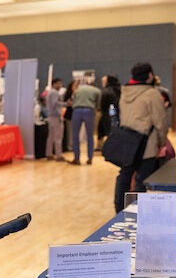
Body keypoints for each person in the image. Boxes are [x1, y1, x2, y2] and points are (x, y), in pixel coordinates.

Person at [114, 62, 167, 213]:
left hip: (127, 143)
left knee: (124, 177)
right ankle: (137, 214)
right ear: (150, 75)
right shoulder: (152, 94)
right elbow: (160, 121)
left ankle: (120, 211)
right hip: (147, 144)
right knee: (141, 181)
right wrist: (162, 143)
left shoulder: (124, 92)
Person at [69, 80, 101, 165]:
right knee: (90, 135)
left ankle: (77, 158)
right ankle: (90, 158)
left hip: (77, 110)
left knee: (75, 135)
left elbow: (73, 101)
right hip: (89, 110)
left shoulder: (78, 90)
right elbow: (98, 104)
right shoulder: (97, 91)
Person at [97, 75, 121, 150]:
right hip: (118, 112)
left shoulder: (106, 91)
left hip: (108, 112)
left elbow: (103, 104)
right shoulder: (120, 90)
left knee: (108, 130)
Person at [45, 78, 66, 161]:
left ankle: (49, 154)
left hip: (50, 116)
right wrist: (65, 104)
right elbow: (55, 104)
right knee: (58, 137)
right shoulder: (54, 93)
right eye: (58, 84)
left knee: (51, 137)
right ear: (53, 84)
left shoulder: (50, 92)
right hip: (56, 116)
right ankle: (58, 155)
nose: (60, 86)